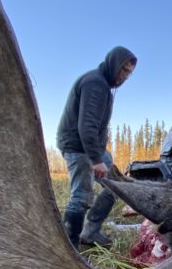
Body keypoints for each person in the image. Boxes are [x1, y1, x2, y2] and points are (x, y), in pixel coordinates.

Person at [57, 46, 137, 248]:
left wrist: (100, 153)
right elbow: (87, 126)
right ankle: (71, 248)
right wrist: (96, 160)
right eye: (123, 70)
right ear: (113, 64)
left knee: (116, 186)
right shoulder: (95, 84)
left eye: (129, 73)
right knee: (81, 196)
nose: (125, 77)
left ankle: (90, 232)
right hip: (78, 147)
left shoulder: (104, 86)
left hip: (94, 148)